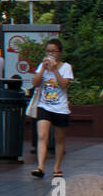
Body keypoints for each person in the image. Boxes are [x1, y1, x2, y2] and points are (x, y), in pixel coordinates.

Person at [31, 38, 74, 178]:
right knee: (42, 135)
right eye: (48, 51)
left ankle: (57, 167)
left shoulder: (66, 67)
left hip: (60, 108)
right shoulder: (41, 66)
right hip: (44, 106)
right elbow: (35, 83)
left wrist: (55, 69)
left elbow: (64, 85)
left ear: (59, 53)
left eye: (53, 51)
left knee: (59, 138)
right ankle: (40, 167)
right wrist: (43, 68)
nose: (50, 54)